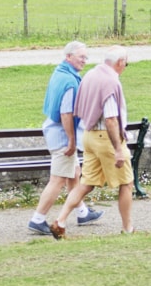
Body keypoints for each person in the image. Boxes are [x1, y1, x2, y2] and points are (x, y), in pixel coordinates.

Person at [50, 46, 135, 238]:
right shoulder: (110, 82)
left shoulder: (91, 75)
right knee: (126, 183)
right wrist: (118, 150)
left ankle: (60, 220)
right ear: (120, 62)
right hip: (106, 138)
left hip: (88, 136)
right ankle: (128, 228)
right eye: (126, 64)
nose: (125, 67)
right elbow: (111, 119)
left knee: (86, 183)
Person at [27, 41, 103, 235]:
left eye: (86, 57)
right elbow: (66, 114)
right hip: (62, 137)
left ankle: (83, 212)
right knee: (58, 179)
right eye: (81, 57)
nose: (84, 61)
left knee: (74, 173)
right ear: (69, 57)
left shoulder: (59, 73)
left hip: (54, 131)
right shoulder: (70, 82)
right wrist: (71, 141)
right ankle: (38, 219)